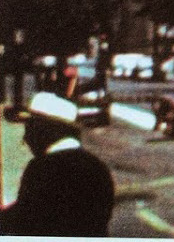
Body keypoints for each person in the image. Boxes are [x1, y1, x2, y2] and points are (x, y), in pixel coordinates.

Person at [0, 91, 115, 237]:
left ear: (46, 130)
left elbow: (24, 222)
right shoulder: (98, 167)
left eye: (30, 128)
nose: (26, 138)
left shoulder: (42, 169)